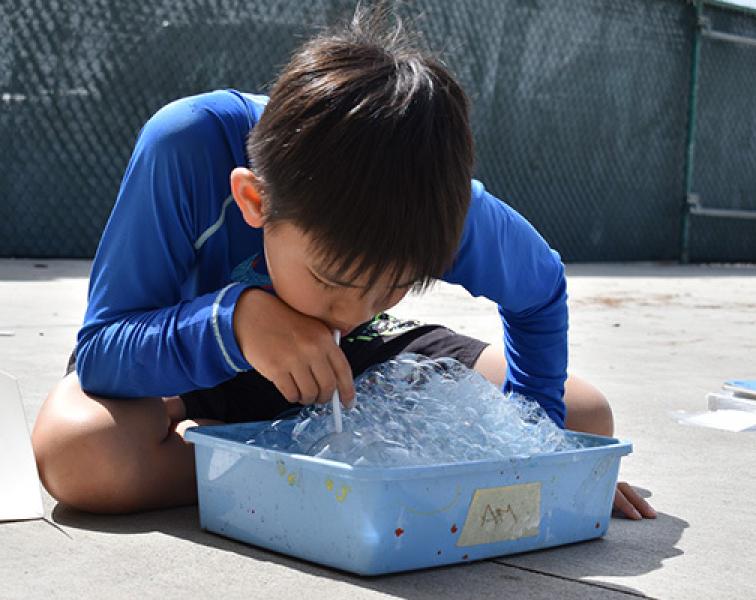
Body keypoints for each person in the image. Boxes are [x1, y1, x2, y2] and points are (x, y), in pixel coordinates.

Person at [32, 6, 655, 520]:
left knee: (582, 415)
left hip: (354, 376)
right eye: (332, 280)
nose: (350, 312)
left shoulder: (434, 206)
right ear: (254, 198)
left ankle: (260, 461)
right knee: (80, 454)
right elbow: (105, 347)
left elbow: (539, 290)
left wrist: (533, 457)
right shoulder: (188, 143)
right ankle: (294, 460)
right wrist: (238, 322)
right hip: (191, 368)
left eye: (392, 286)